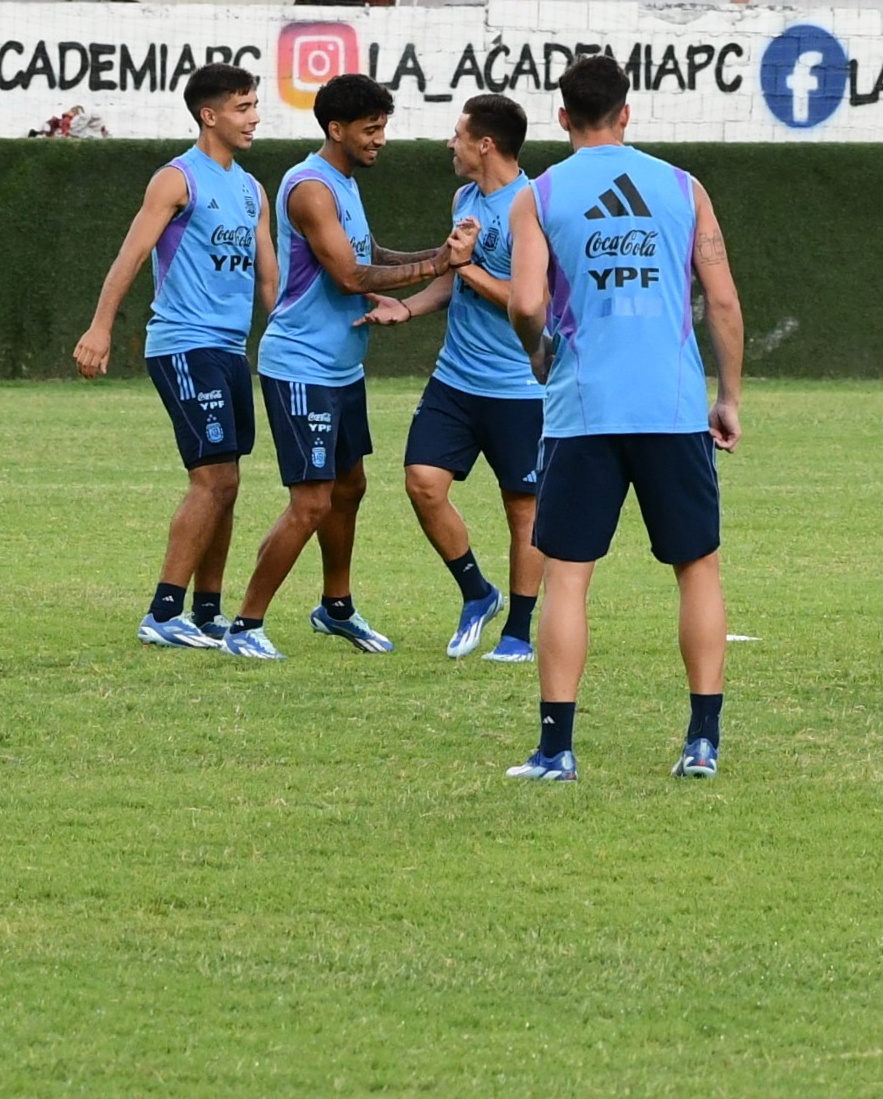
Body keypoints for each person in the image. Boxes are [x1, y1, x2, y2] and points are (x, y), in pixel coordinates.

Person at [501, 53, 744, 780]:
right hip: (671, 409)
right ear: (627, 113)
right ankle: (701, 742)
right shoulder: (682, 187)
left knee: (568, 576)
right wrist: (727, 398)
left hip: (583, 409)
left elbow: (523, 303)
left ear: (562, 116)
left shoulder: (536, 195)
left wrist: (540, 354)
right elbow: (723, 302)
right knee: (695, 567)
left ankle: (556, 749)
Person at [219, 73, 472, 660]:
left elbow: (372, 255)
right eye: (371, 129)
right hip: (301, 366)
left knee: (349, 487)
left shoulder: (345, 183)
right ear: (336, 129)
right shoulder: (309, 187)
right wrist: (441, 261)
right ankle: (245, 625)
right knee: (311, 501)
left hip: (341, 369)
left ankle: (336, 607)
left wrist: (446, 258)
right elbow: (351, 277)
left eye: (384, 127)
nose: (381, 139)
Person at [75, 61, 278, 649]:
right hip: (185, 345)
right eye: (243, 108)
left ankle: (208, 613)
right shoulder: (176, 179)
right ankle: (163, 614)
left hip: (230, 350)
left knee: (229, 481)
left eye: (255, 105)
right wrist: (99, 328)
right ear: (208, 115)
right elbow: (131, 256)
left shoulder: (251, 189)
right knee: (211, 478)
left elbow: (269, 281)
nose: (255, 118)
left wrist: (289, 337)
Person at [375, 93, 547, 663]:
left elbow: (529, 301)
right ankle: (478, 592)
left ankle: (519, 632)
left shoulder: (535, 206)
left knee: (522, 509)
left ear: (485, 144)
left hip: (520, 386)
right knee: (422, 482)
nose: (450, 143)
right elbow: (454, 279)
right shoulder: (464, 197)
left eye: (457, 134)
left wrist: (467, 265)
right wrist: (410, 308)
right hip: (456, 377)